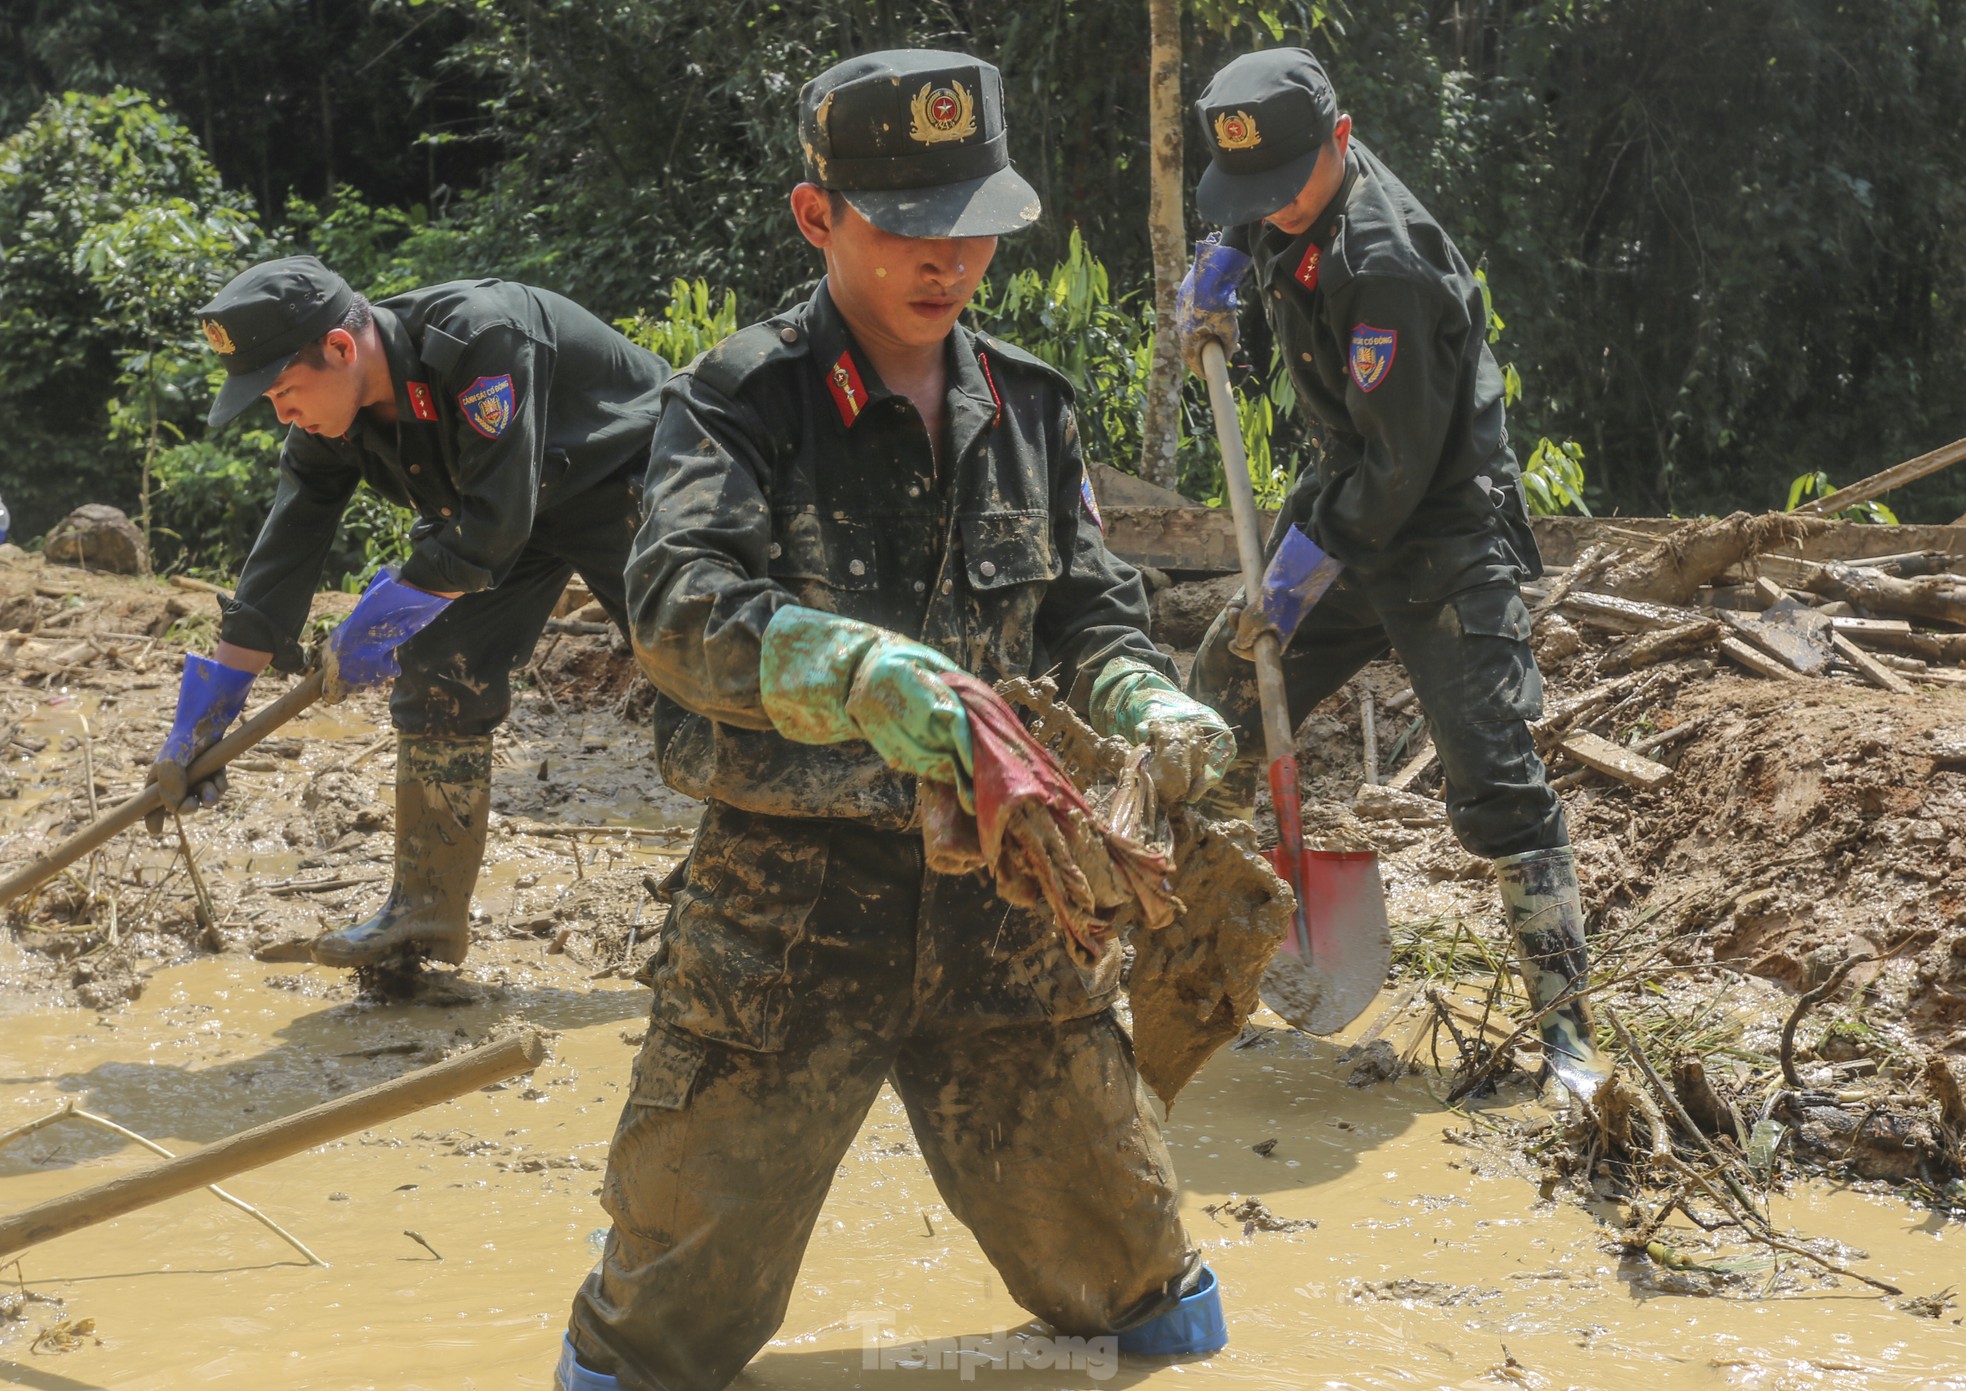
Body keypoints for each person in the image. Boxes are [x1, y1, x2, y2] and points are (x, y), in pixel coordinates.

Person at [555, 48, 1233, 1391]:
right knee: (658, 1334)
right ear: (819, 219)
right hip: (788, 918)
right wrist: (852, 669)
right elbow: (677, 605)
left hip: (1014, 909)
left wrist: (1144, 697)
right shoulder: (736, 403)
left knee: (1132, 1290)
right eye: (908, 230)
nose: (947, 264)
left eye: (973, 230)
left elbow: (1086, 613)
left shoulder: (1028, 409)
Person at [1176, 47, 1604, 1095]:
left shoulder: (1385, 263)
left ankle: (1568, 1035)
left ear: (1343, 135)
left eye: (1281, 190)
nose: (1268, 209)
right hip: (1344, 503)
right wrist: (1221, 263)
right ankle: (1187, 953)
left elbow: (1401, 468)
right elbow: (1254, 201)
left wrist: (1300, 571)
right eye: (1250, 194)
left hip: (1438, 533)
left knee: (1496, 780)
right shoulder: (1283, 197)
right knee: (1213, 704)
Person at [150, 257, 672, 968]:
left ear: (340, 348)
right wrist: (207, 715)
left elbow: (492, 527)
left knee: (697, 668)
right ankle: (424, 915)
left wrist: (382, 620)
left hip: (626, 478)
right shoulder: (330, 426)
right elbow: (282, 561)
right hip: (506, 519)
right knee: (436, 668)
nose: (283, 414)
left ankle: (746, 883)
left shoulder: (480, 341)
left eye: (285, 391)